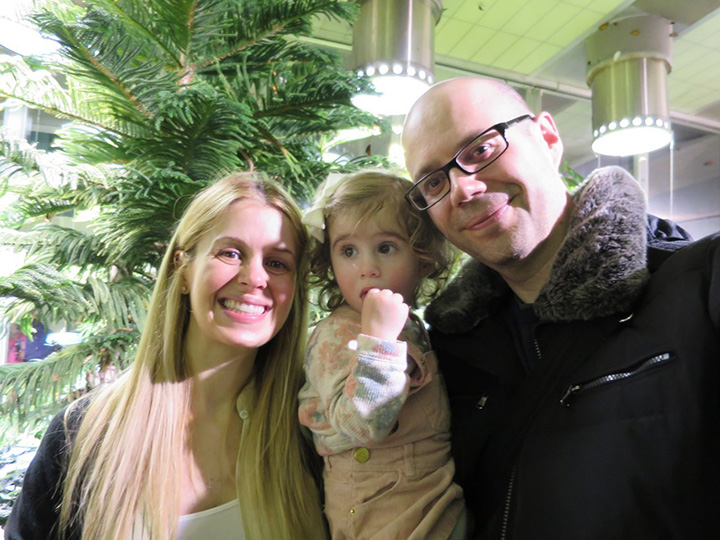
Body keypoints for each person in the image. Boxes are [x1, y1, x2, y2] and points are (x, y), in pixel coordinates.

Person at [401, 77, 720, 540]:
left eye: (479, 149)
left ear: (548, 139)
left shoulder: (696, 287)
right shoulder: (449, 352)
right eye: (433, 180)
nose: (462, 190)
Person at [6, 172, 326, 539]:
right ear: (183, 268)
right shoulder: (83, 433)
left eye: (277, 263)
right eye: (231, 253)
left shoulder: (316, 433)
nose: (254, 278)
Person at [298, 170, 466, 539]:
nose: (367, 268)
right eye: (348, 251)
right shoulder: (335, 335)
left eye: (386, 247)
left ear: (423, 257)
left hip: (432, 487)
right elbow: (363, 425)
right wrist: (380, 342)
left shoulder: (410, 323)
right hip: (375, 499)